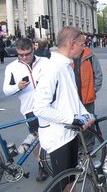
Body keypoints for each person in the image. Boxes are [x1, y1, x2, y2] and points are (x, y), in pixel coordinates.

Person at [33, 26, 95, 181]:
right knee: (61, 184)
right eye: (82, 44)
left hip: (70, 132)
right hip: (58, 136)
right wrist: (72, 119)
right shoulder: (52, 68)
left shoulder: (65, 65)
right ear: (72, 44)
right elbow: (39, 108)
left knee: (71, 180)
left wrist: (86, 115)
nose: (84, 48)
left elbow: (72, 98)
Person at [2, 37, 50, 181]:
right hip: (30, 109)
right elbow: (6, 90)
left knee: (50, 135)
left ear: (33, 49)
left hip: (48, 105)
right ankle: (41, 166)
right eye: (20, 55)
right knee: (37, 140)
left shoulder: (45, 62)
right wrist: (18, 86)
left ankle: (50, 162)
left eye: (27, 54)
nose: (24, 58)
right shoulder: (12, 67)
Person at [73, 46, 103, 115]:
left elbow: (98, 74)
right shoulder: (67, 56)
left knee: (89, 120)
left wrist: (93, 89)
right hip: (72, 99)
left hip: (87, 97)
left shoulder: (89, 56)